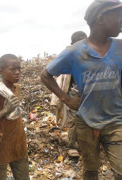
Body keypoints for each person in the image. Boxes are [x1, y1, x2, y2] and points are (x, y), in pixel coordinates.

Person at [41, 0, 122, 179]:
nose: (121, 22)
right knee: (91, 170)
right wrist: (67, 99)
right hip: (87, 122)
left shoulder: (120, 48)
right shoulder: (75, 52)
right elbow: (45, 75)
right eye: (118, 17)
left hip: (117, 121)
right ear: (101, 19)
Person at [50, 31, 87, 157]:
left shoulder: (91, 56)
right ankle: (71, 145)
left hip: (89, 93)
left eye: (84, 41)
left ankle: (87, 144)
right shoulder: (69, 57)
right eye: (78, 42)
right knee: (74, 121)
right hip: (74, 94)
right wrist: (63, 98)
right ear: (72, 44)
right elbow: (56, 77)